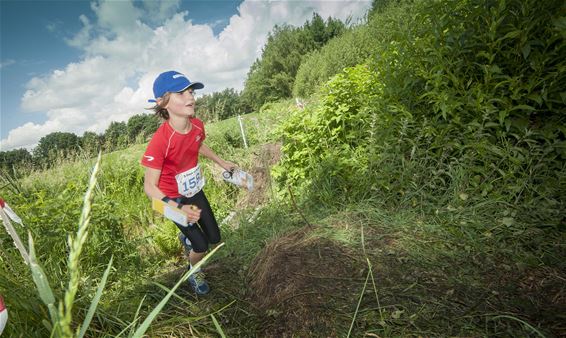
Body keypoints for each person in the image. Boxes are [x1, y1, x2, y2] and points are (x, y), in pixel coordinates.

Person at [141, 70, 235, 295]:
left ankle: (187, 238)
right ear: (163, 102)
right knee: (201, 245)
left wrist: (222, 162)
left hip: (193, 191)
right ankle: (194, 271)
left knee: (214, 237)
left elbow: (197, 144)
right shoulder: (160, 141)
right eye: (181, 94)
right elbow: (149, 187)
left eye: (191, 92)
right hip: (168, 200)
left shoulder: (197, 125)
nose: (191, 98)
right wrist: (177, 207)